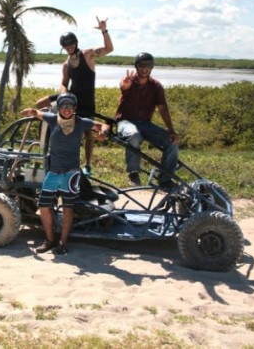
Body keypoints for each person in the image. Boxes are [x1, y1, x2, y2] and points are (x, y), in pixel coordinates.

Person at [20, 92, 109, 255]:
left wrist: (103, 132)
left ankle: (62, 243)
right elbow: (37, 113)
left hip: (71, 174)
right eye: (63, 105)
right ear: (59, 107)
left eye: (70, 106)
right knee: (43, 206)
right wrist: (31, 112)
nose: (67, 109)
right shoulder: (53, 119)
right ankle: (49, 239)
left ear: (74, 108)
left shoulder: (82, 122)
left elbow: (102, 125)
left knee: (68, 209)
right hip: (53, 172)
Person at [115, 52, 180, 187]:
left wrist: (171, 130)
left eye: (148, 66)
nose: (144, 69)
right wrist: (125, 85)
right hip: (126, 122)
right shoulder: (129, 80)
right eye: (141, 65)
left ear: (152, 67)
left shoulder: (156, 86)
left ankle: (165, 178)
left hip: (145, 123)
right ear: (136, 66)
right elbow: (123, 86)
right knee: (133, 135)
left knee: (172, 141)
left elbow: (162, 108)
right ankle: (133, 173)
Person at [59, 17, 114, 176]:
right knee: (69, 133)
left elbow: (108, 49)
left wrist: (104, 31)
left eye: (71, 43)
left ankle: (88, 165)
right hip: (73, 103)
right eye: (65, 45)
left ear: (75, 43)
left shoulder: (88, 54)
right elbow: (64, 83)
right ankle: (69, 163)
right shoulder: (66, 64)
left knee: (88, 134)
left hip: (87, 102)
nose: (68, 47)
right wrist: (64, 95)